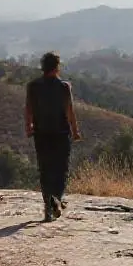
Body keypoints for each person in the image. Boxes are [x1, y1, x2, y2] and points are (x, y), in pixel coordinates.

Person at [24, 51, 82, 221]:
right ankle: (56, 197)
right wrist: (76, 131)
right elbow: (69, 111)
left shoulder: (33, 86)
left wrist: (28, 127)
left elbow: (28, 109)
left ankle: (48, 206)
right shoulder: (64, 87)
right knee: (61, 168)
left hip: (41, 133)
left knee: (45, 169)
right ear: (57, 67)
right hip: (61, 133)